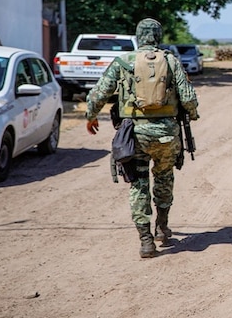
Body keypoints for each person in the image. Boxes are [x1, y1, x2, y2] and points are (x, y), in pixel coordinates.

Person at [85, 18, 200, 259]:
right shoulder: (170, 61)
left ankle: (146, 241)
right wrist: (192, 113)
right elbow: (188, 97)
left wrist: (91, 115)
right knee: (164, 177)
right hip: (167, 135)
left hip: (134, 134)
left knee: (138, 183)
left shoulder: (124, 61)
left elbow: (100, 92)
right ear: (158, 37)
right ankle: (162, 227)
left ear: (139, 37)